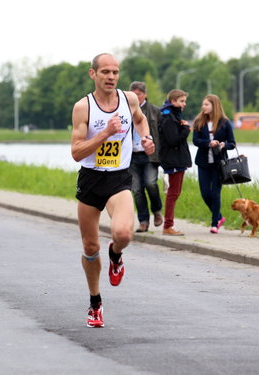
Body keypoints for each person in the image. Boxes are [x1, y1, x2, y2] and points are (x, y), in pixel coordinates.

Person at [71, 53, 155, 328]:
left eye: (115, 72)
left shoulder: (129, 99)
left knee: (122, 233)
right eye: (105, 71)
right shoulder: (83, 107)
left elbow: (141, 119)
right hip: (91, 180)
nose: (111, 77)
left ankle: (116, 255)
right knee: (90, 245)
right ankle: (95, 303)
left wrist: (146, 136)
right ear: (92, 74)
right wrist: (105, 134)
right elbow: (76, 152)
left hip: (119, 178)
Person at [192, 94, 236, 233]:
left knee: (216, 193)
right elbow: (195, 141)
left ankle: (214, 223)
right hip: (203, 162)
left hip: (219, 163)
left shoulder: (225, 123)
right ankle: (219, 216)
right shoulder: (199, 121)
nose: (203, 107)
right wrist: (208, 143)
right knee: (205, 193)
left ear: (214, 106)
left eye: (206, 104)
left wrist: (223, 145)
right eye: (203, 104)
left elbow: (232, 143)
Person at [129, 81, 163, 232]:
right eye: (134, 94)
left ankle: (156, 210)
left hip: (150, 155)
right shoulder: (125, 111)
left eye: (139, 94)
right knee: (136, 189)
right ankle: (143, 221)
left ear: (145, 94)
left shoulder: (154, 111)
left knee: (150, 183)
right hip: (131, 156)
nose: (136, 97)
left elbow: (163, 132)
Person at [158, 89, 192, 236]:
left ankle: (169, 224)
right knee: (173, 193)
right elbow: (173, 140)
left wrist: (182, 126)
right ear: (173, 102)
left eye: (185, 101)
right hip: (173, 160)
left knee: (174, 193)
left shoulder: (173, 116)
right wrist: (186, 129)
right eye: (181, 101)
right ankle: (168, 226)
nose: (184, 104)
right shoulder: (168, 118)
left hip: (176, 159)